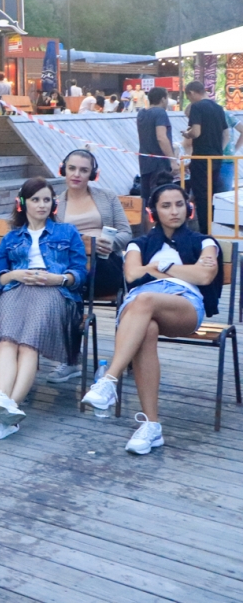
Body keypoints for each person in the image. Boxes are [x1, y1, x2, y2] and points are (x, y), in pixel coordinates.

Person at [81, 182, 221, 454]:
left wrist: (162, 267)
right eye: (166, 206)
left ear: (189, 208)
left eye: (179, 204)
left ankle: (109, 381)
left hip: (183, 304)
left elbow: (204, 276)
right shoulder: (139, 243)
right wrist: (184, 269)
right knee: (145, 327)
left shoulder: (203, 241)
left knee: (143, 300)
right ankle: (151, 427)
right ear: (154, 211)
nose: (174, 211)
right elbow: (132, 275)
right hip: (140, 308)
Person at [0, 178, 87, 439]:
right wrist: (15, 274)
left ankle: (8, 407)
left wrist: (56, 278)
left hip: (54, 292)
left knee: (28, 342)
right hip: (17, 291)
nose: (41, 205)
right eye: (35, 199)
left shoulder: (67, 232)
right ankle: (4, 403)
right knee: (7, 339)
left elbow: (81, 274)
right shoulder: (12, 237)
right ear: (23, 203)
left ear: (53, 203)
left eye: (46, 199)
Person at [47, 149, 132, 384]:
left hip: (104, 264)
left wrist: (111, 243)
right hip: (70, 265)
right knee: (63, 285)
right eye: (72, 168)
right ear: (63, 170)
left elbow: (126, 233)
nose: (77, 174)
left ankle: (71, 358)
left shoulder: (106, 197)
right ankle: (71, 358)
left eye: (84, 170)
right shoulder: (55, 203)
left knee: (67, 285)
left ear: (92, 174)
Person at [182, 81, 230, 233]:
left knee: (202, 196)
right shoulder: (218, 108)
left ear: (191, 93)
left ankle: (204, 231)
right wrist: (218, 151)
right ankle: (216, 228)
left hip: (201, 157)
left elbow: (196, 132)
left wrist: (186, 133)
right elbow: (225, 134)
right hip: (216, 158)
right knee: (213, 193)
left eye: (189, 98)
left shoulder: (197, 107)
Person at [136, 86, 177, 209]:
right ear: (163, 99)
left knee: (146, 198)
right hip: (159, 163)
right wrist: (173, 160)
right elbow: (161, 137)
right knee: (161, 197)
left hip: (144, 161)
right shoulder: (160, 113)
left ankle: (146, 226)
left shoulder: (141, 114)